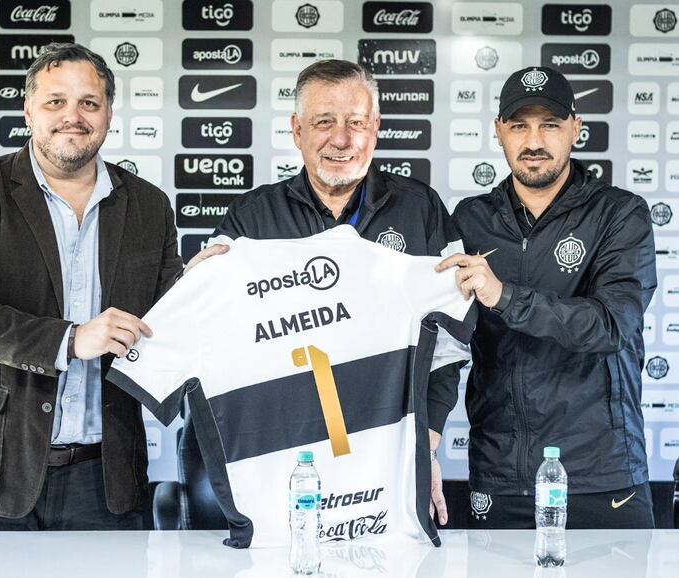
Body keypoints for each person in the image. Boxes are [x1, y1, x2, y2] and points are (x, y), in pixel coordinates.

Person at [0, 43, 182, 530]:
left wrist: (207, 286)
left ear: (108, 115)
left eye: (89, 103)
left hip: (105, 481)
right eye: (56, 101)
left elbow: (170, 314)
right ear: (29, 111)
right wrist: (70, 340)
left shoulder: (149, 206)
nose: (73, 117)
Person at [191, 59, 465, 526]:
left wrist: (428, 440)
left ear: (375, 127)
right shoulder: (250, 220)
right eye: (324, 122)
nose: (342, 139)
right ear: (297, 130)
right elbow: (214, 340)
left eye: (356, 122)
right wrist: (196, 291)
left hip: (389, 455)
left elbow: (451, 336)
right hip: (282, 457)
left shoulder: (422, 210)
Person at [437, 66, 657, 528]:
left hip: (601, 475)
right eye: (519, 125)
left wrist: (504, 296)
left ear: (576, 128)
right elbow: (443, 339)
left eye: (550, 125)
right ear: (498, 131)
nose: (534, 141)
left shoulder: (620, 214)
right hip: (498, 474)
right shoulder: (470, 219)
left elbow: (613, 326)